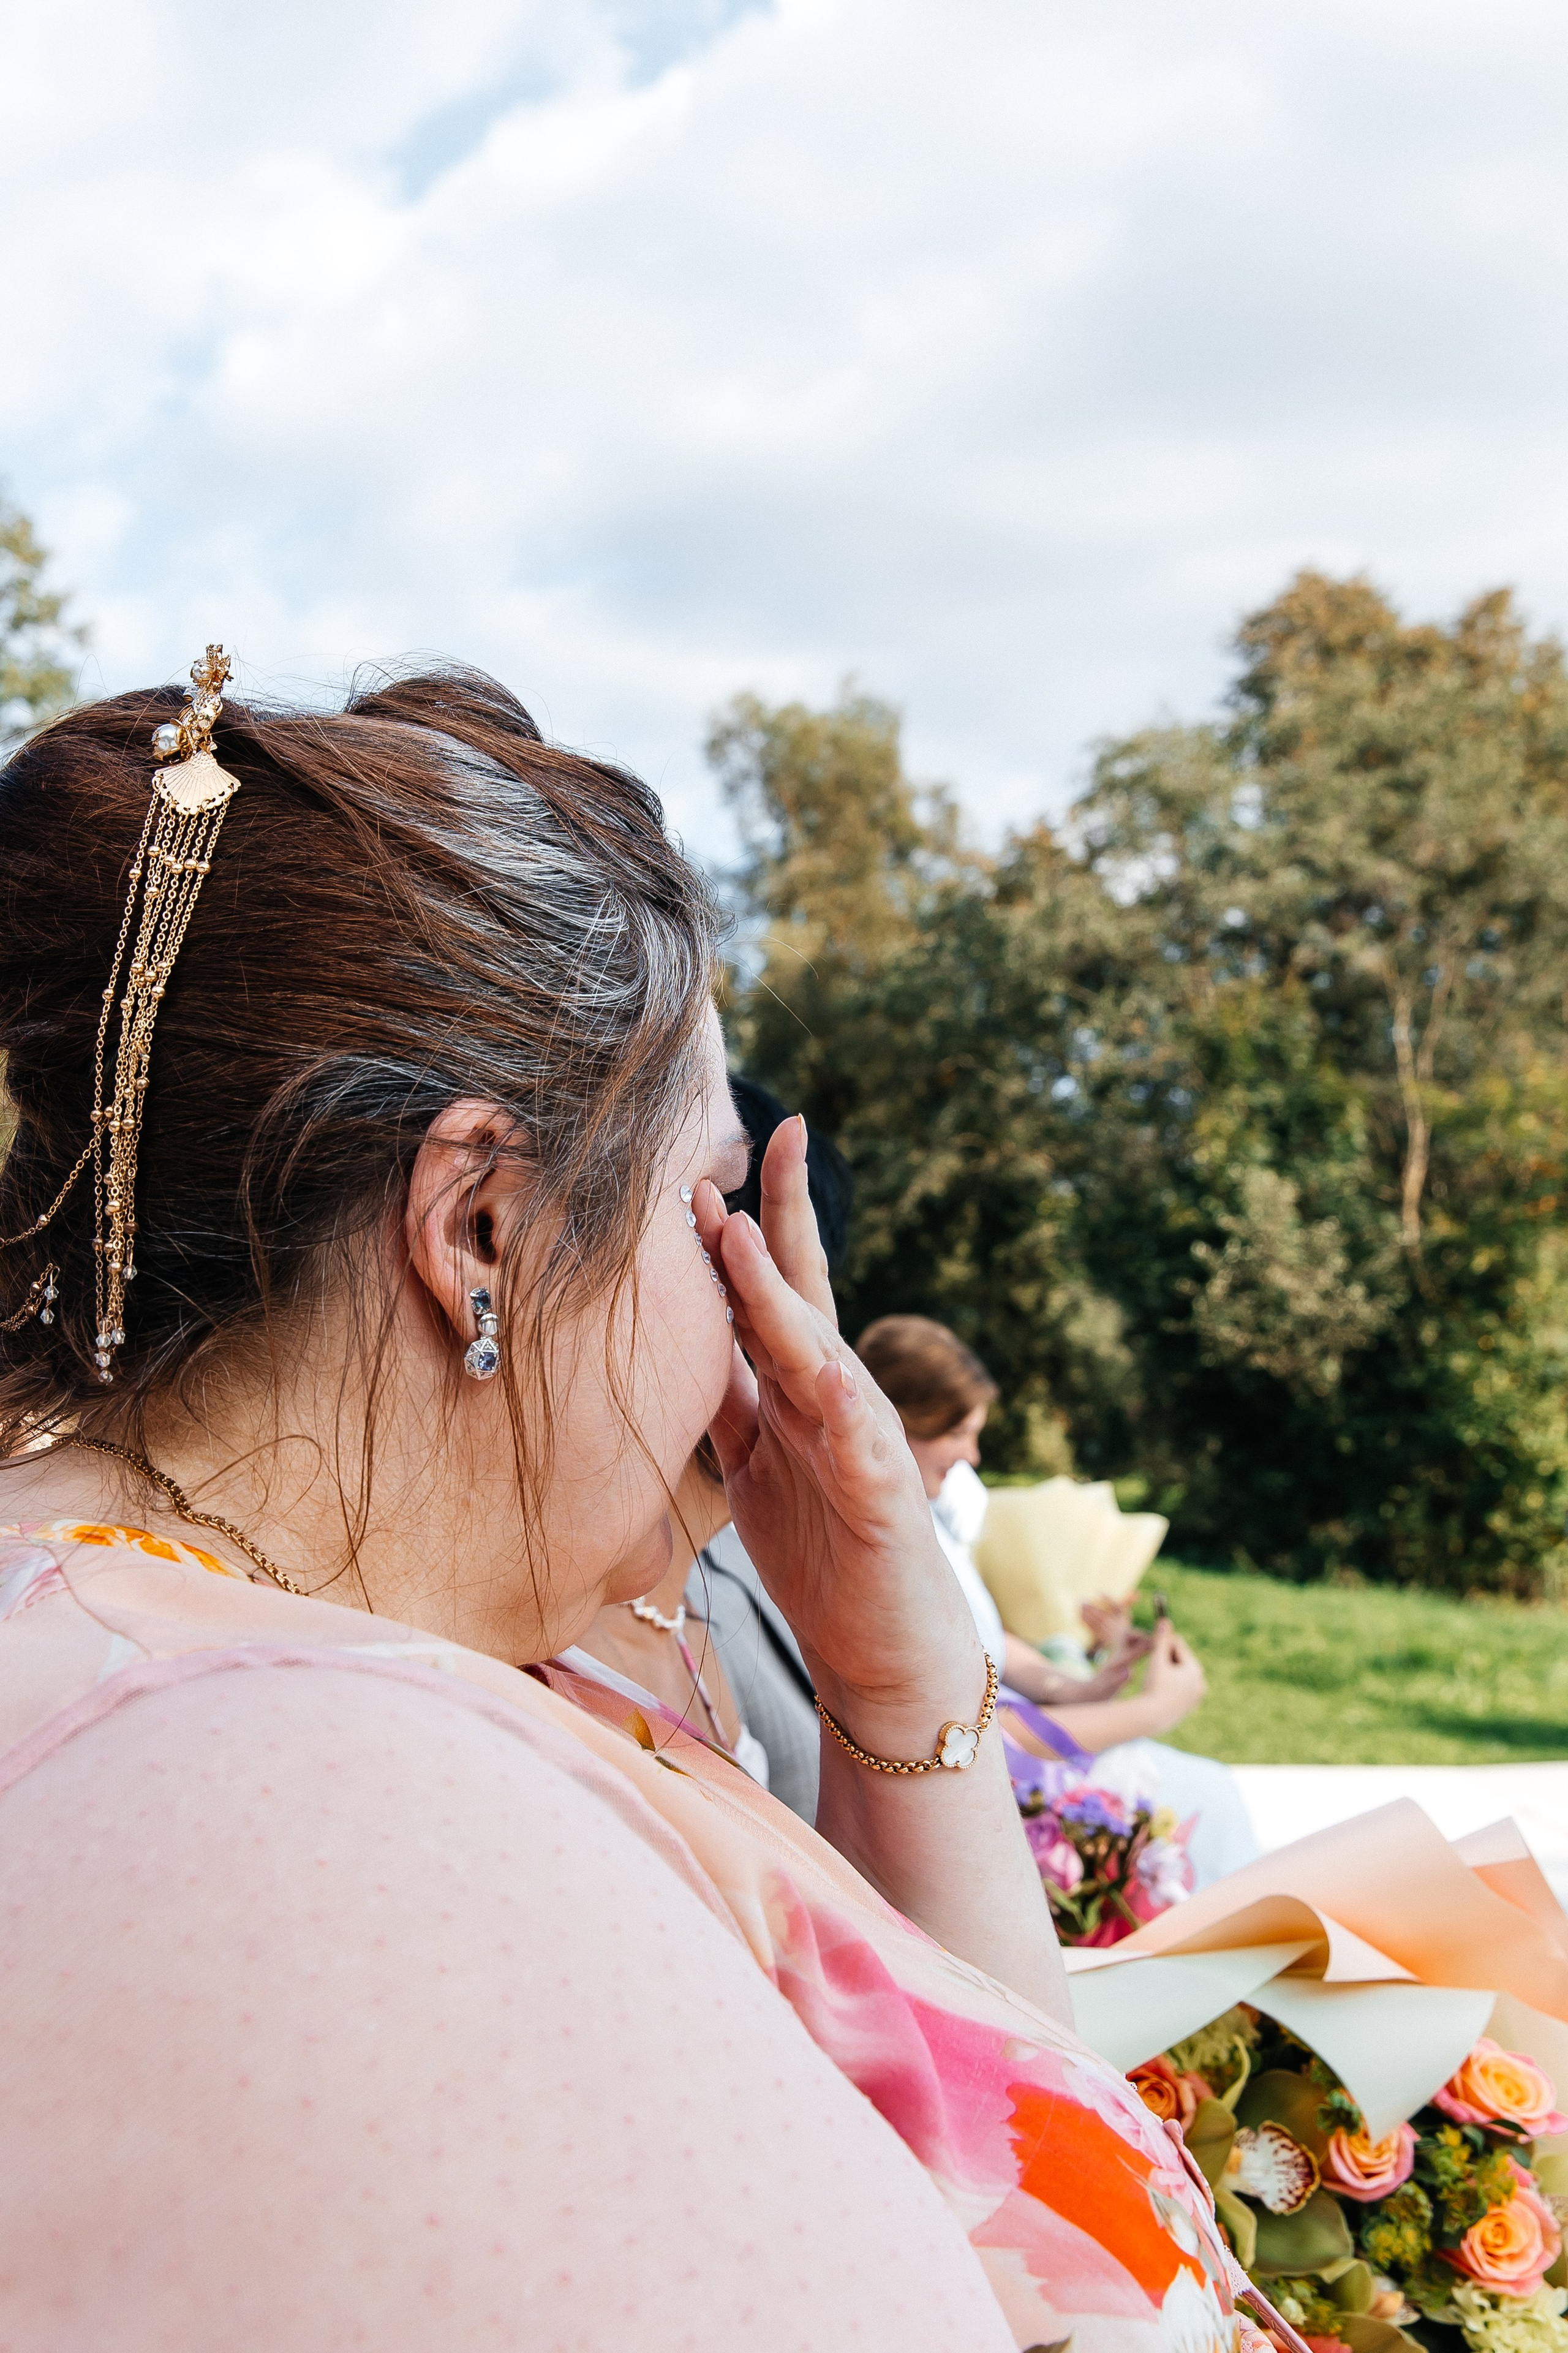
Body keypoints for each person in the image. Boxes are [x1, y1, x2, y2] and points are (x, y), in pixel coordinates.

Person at [0, 656, 1256, 2351]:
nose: (761, 1320)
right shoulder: (335, 1794)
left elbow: (1015, 2201)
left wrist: (894, 1685)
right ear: (484, 1232)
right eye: (710, 1211)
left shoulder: (224, 1664)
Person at [857, 1313, 1259, 1888]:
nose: (972, 1454)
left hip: (1019, 1742)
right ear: (898, 1424)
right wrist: (1152, 1711)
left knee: (1209, 1790)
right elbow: (977, 1734)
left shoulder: (935, 1516)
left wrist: (1075, 1687)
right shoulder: (883, 1559)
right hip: (990, 1780)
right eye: (957, 1433)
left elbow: (986, 1642)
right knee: (1207, 1800)